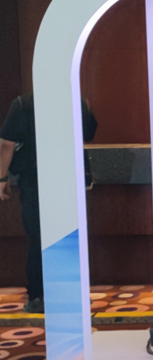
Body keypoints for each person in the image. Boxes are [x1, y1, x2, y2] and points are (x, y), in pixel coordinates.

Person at [0, 93, 97, 315]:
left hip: (34, 179)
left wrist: (2, 177)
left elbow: (6, 144)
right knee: (70, 237)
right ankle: (74, 294)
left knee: (38, 238)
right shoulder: (74, 100)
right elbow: (89, 133)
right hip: (68, 177)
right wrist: (84, 104)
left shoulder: (23, 104)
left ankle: (38, 296)